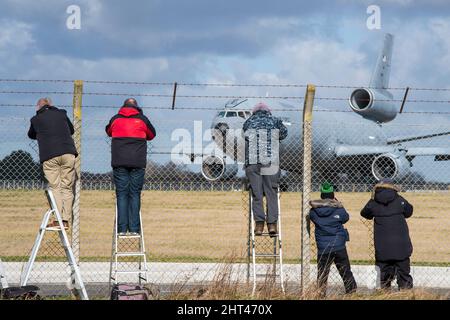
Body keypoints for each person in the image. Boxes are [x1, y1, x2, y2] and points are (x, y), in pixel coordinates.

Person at [106, 98, 156, 236]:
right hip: (137, 163)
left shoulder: (115, 119)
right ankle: (134, 229)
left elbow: (109, 131)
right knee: (134, 194)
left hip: (119, 162)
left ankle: (122, 229)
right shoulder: (142, 119)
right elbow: (152, 135)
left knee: (121, 194)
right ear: (137, 108)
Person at [28, 97, 78, 230]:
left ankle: (57, 220)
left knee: (55, 187)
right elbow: (71, 130)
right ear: (51, 105)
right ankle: (66, 220)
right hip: (68, 152)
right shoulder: (62, 114)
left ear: (38, 107)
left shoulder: (36, 119)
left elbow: (31, 134)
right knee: (67, 187)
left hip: (50, 155)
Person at [243, 102, 288, 237]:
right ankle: (272, 225)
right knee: (271, 193)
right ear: (268, 111)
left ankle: (259, 225)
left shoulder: (249, 121)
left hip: (253, 161)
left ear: (254, 111)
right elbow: (284, 134)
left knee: (257, 193)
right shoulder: (275, 120)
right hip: (270, 162)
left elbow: (245, 135)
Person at [361, 178, 414, 290]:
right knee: (404, 274)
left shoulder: (374, 202)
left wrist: (372, 200)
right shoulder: (399, 199)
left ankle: (384, 293)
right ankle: (406, 293)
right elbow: (409, 211)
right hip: (401, 247)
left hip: (383, 248)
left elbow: (365, 213)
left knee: (383, 276)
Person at [309, 182, 357, 296]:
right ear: (332, 195)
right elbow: (346, 218)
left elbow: (313, 218)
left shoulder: (314, 212)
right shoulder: (339, 209)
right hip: (338, 245)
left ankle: (321, 293)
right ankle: (351, 291)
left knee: (322, 272)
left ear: (321, 196)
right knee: (345, 270)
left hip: (323, 247)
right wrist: (337, 203)